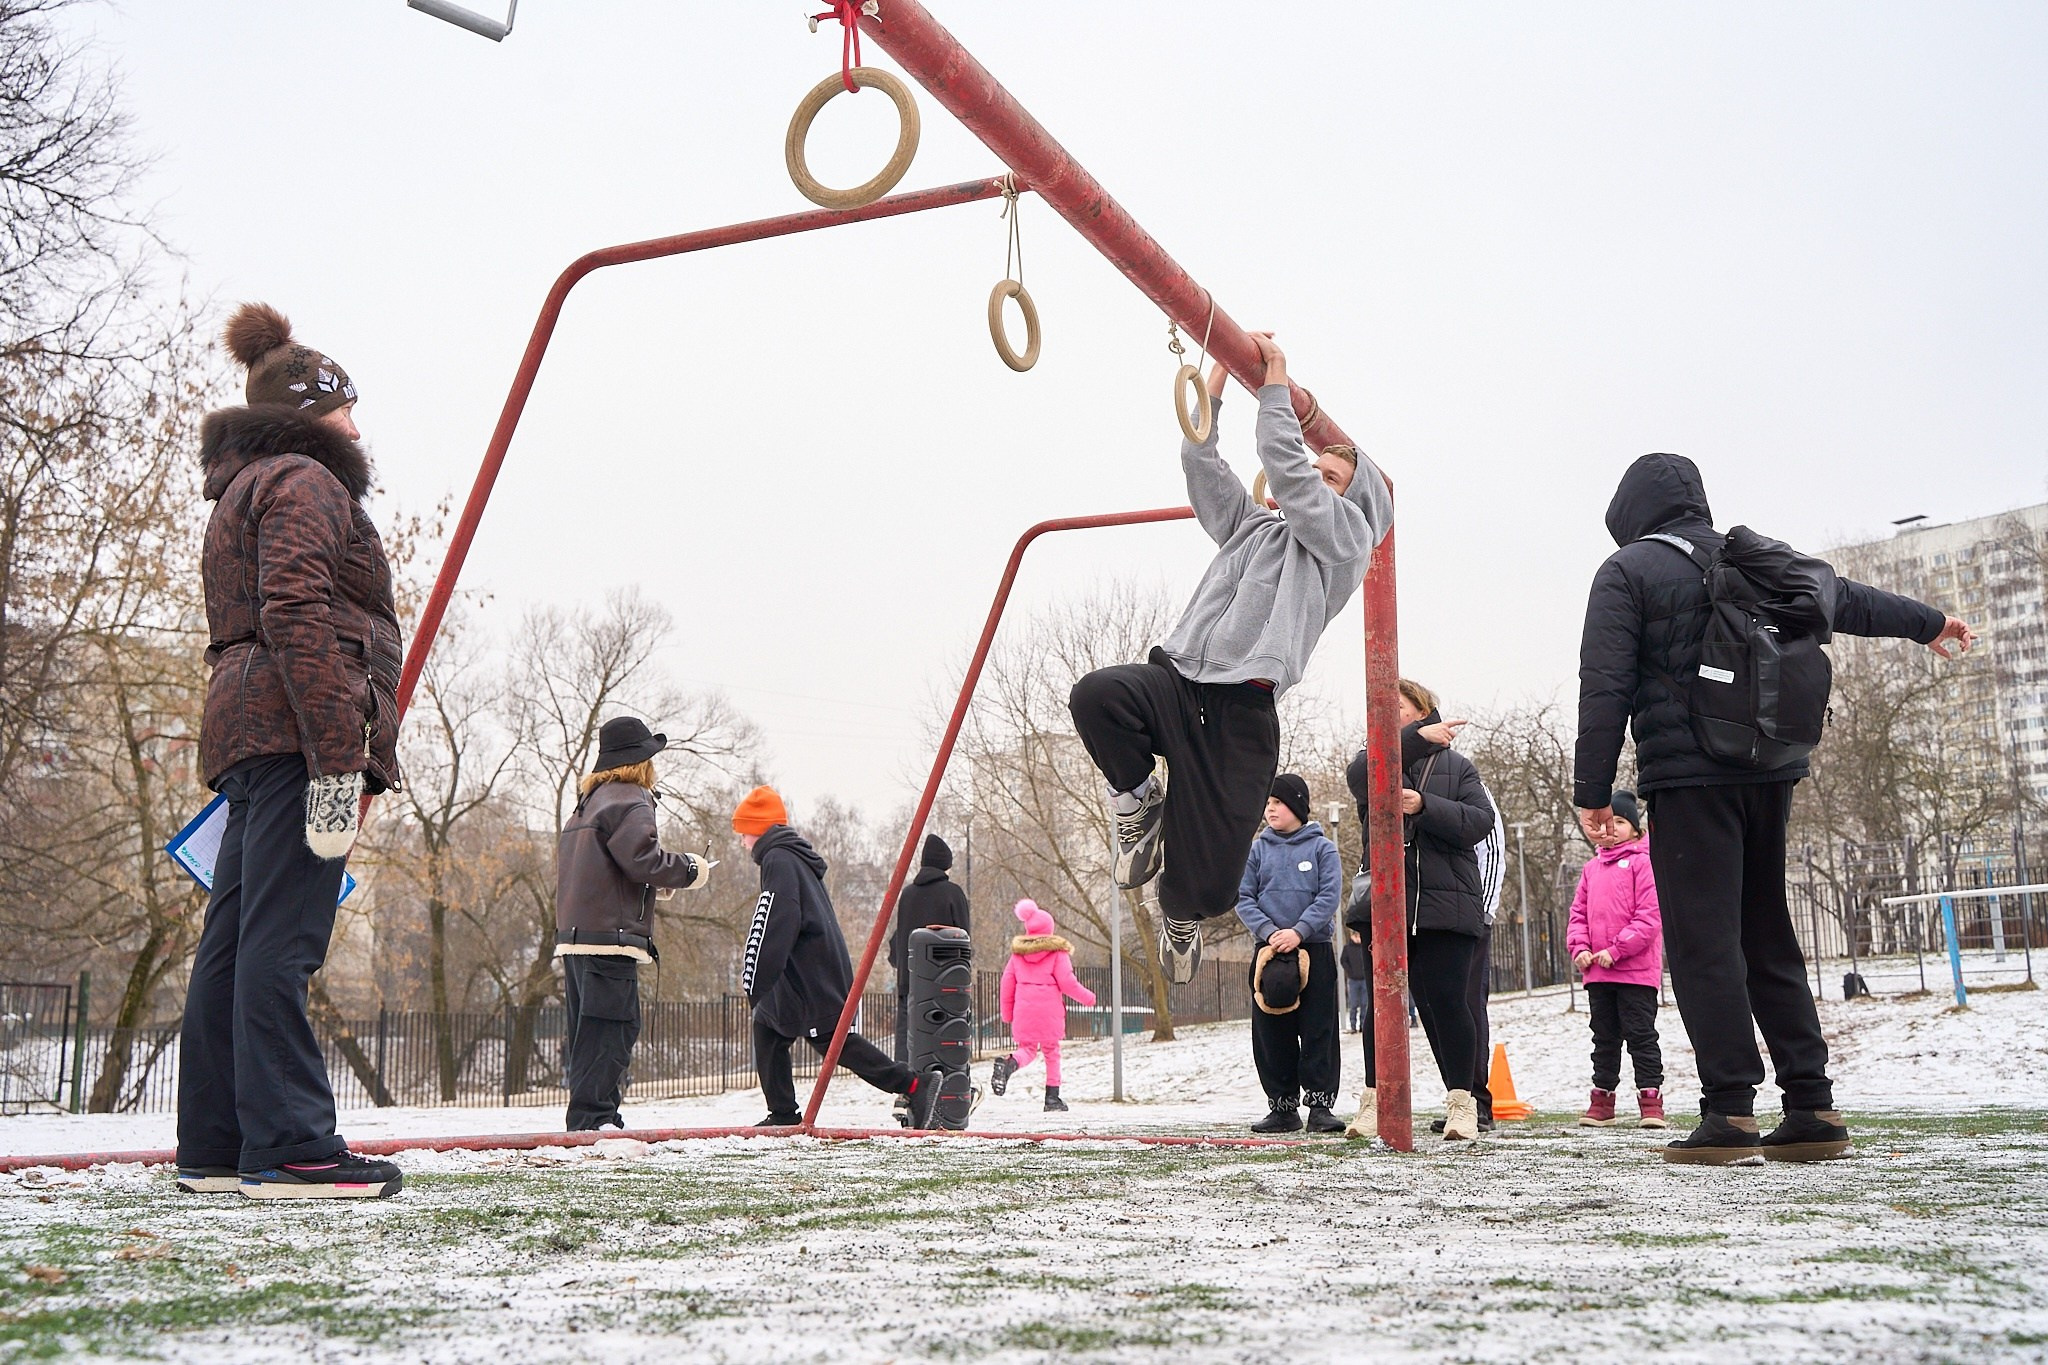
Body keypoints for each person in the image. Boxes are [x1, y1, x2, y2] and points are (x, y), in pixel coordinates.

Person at [1575, 453, 1974, 1164]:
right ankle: (1811, 1104)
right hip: (1770, 768)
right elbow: (1842, 598)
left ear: (1629, 509)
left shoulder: (1628, 570)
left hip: (1690, 777)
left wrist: (1592, 791)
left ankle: (1729, 1111)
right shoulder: (1751, 556)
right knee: (1766, 933)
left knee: (1704, 943)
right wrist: (1929, 623)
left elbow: (1603, 685)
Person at [1067, 336, 1394, 986]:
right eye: (1318, 474)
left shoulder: (1343, 542)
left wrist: (1274, 390)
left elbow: (1292, 475)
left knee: (1214, 886)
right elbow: (1202, 466)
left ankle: (1180, 913)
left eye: (1332, 481)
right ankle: (1138, 800)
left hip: (1243, 711)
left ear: (1354, 505)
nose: (1315, 486)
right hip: (1178, 681)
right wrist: (1213, 389)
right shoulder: (1255, 527)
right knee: (1096, 695)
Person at [177, 304, 404, 1200]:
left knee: (232, 941)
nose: (357, 425)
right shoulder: (308, 482)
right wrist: (342, 754)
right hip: (299, 738)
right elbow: (299, 612)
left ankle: (217, 1143)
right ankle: (292, 1147)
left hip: (248, 732)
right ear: (311, 415)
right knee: (284, 939)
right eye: (345, 409)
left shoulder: (244, 487)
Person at [734, 786, 941, 1129]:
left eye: (744, 831)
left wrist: (755, 975)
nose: (742, 840)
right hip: (804, 968)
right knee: (768, 1027)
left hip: (812, 973)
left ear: (759, 828)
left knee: (835, 1043)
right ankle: (783, 1114)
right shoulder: (788, 856)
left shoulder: (778, 859)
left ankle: (914, 1085)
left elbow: (776, 919)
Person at [1343, 680, 1495, 1142]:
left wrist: (1425, 805)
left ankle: (1462, 1105)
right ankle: (1373, 1103)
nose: (1390, 716)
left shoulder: (1459, 768)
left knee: (1448, 1005)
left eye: (1400, 709)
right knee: (1378, 1007)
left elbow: (1478, 822)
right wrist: (1411, 742)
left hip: (1444, 905)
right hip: (1385, 906)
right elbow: (1359, 780)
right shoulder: (1373, 765)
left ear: (1424, 711)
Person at [554, 716, 710, 1131]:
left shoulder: (589, 801)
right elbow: (643, 859)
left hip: (575, 937)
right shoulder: (631, 798)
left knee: (588, 1030)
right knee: (613, 1027)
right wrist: (691, 869)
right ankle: (596, 1117)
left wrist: (657, 887)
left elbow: (609, 867)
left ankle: (590, 1115)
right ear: (642, 761)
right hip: (611, 938)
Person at [1236, 774, 1345, 1133]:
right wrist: (1270, 933)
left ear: (1297, 806)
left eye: (1278, 802)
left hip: (1313, 949)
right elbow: (1244, 897)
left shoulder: (1322, 848)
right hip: (1268, 954)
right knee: (1271, 1031)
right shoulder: (1256, 850)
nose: (1270, 808)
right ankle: (1282, 1107)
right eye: (1268, 802)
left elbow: (1328, 897)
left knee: (1319, 1029)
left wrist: (1298, 931)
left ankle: (1320, 1107)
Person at [1565, 789, 1665, 1129]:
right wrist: (1580, 949)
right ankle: (1602, 1100)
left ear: (1636, 829)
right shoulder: (1591, 870)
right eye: (1607, 823)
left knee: (1641, 1036)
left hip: (1634, 973)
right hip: (1598, 973)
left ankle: (1650, 1100)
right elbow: (1577, 913)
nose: (1612, 829)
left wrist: (1616, 950)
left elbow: (1649, 918)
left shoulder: (1643, 863)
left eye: (1620, 822)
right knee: (1603, 1037)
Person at [989, 900, 1097, 1112]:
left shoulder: (1017, 955)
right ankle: (1052, 1098)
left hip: (1024, 1009)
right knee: (1051, 1052)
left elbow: (1006, 983)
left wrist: (1007, 1013)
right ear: (1049, 929)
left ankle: (1010, 1063)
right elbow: (1067, 983)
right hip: (1049, 1011)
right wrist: (1088, 998)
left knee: (1027, 1050)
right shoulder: (1057, 953)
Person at [890, 834, 970, 1063]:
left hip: (910, 978)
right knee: (943, 1036)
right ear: (947, 863)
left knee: (908, 1037)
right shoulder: (953, 893)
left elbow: (899, 936)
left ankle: (905, 1087)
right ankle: (941, 1084)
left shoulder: (908, 894)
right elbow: (964, 936)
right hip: (945, 981)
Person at [1341, 929, 1369, 1034]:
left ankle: (1363, 1025)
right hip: (1353, 980)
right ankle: (1353, 1025)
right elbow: (1343, 961)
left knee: (1364, 1004)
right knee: (1353, 1004)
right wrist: (1350, 972)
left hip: (1363, 979)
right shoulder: (1347, 948)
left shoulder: (1364, 948)